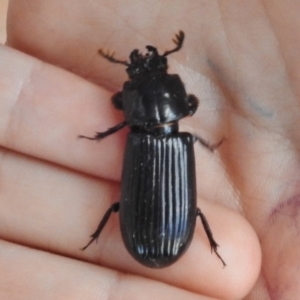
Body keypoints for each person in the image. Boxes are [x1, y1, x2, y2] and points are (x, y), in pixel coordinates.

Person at [2, 1, 299, 299]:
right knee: (189, 212)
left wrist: (100, 134)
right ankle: (215, 251)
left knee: (131, 207)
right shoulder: (180, 139)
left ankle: (95, 239)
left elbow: (121, 111)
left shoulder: (134, 136)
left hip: (151, 237)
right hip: (154, 237)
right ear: (181, 103)